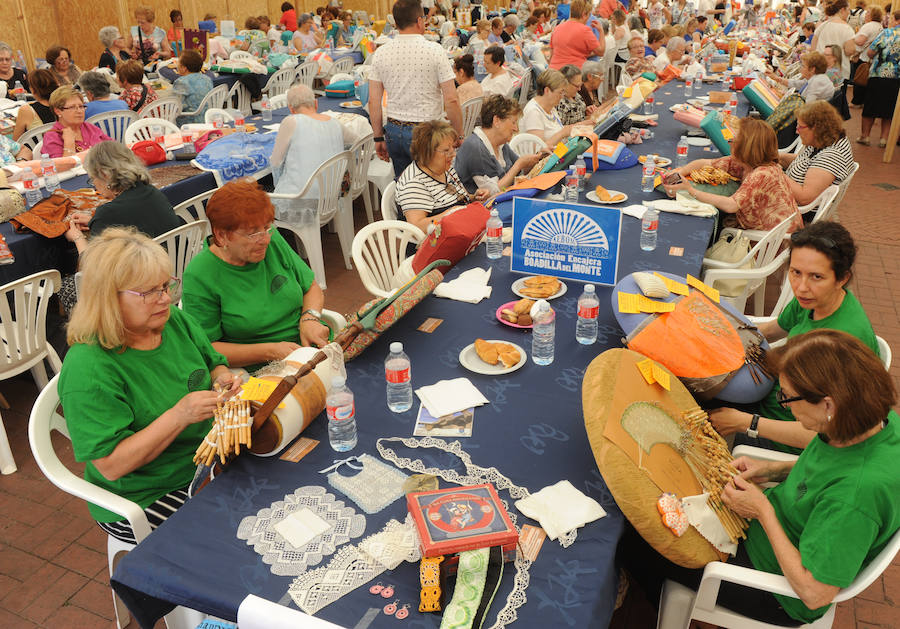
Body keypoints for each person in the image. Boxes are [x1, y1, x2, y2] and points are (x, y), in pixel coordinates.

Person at [623, 329, 900, 627]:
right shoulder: (871, 421)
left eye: (787, 398)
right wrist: (770, 471)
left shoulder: (857, 496)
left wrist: (762, 511)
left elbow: (814, 593)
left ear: (828, 406)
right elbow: (826, 471)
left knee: (634, 537)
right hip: (769, 532)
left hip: (776, 589)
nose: (787, 407)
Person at [59, 228, 240, 544]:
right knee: (229, 537)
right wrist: (179, 415)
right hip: (144, 494)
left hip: (206, 457)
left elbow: (214, 363)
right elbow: (112, 466)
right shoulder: (89, 368)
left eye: (166, 285)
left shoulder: (170, 320)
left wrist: (222, 379)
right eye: (149, 292)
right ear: (108, 298)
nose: (166, 298)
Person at [709, 221, 879, 452]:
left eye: (816, 277)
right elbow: (771, 329)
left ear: (842, 279)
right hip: (765, 396)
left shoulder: (843, 343)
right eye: (795, 272)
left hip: (785, 438)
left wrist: (746, 422)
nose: (801, 287)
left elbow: (828, 436)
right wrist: (719, 338)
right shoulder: (813, 301)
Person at [181, 181, 330, 371]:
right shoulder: (200, 274)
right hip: (262, 369)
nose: (265, 239)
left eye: (267, 227)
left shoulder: (271, 238)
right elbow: (207, 348)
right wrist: (270, 351)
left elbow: (311, 288)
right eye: (252, 234)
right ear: (221, 236)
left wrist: (310, 319)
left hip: (309, 349)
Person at [369, 0, 463, 178]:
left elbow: (374, 100)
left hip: (395, 130)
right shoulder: (434, 50)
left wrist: (378, 137)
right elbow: (451, 99)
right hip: (427, 133)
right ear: (420, 21)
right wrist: (458, 134)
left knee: (405, 188)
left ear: (395, 24)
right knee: (432, 188)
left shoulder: (381, 53)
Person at [665, 118, 803, 233]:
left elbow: (731, 205)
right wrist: (680, 172)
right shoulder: (746, 163)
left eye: (733, 140)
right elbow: (704, 163)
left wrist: (691, 191)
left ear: (746, 147)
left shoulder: (762, 174)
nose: (729, 142)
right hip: (771, 233)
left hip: (772, 243)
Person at [64, 142, 181, 258]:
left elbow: (91, 267)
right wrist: (94, 222)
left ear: (105, 175)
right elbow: (136, 220)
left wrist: (77, 237)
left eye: (92, 178)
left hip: (145, 274)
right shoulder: (151, 191)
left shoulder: (106, 213)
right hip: (178, 263)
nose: (93, 185)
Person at [396, 120, 489, 232]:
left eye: (453, 148)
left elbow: (459, 198)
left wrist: (474, 197)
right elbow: (416, 227)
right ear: (427, 152)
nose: (453, 154)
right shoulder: (414, 183)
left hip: (459, 229)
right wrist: (449, 214)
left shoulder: (445, 168)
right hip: (433, 243)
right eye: (446, 150)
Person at [269, 84, 346, 217]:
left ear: (291, 109)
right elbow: (355, 140)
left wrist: (278, 189)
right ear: (316, 104)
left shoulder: (290, 121)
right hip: (331, 195)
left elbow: (276, 162)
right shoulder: (335, 123)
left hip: (301, 199)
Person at [454, 95, 543, 193]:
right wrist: (519, 165)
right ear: (496, 121)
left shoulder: (501, 144)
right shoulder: (475, 148)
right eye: (513, 122)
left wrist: (539, 157)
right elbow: (491, 193)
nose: (516, 129)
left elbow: (521, 170)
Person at [780, 101, 855, 205]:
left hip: (796, 212)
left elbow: (804, 198)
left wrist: (775, 172)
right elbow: (805, 162)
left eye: (800, 127)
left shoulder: (832, 157)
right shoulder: (820, 142)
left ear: (816, 128)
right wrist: (776, 157)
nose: (797, 131)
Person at [859, 10, 900, 147]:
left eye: (891, 18)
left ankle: (865, 136)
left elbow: (870, 52)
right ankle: (884, 138)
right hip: (896, 77)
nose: (889, 21)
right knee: (889, 110)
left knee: (870, 107)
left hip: (878, 74)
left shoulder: (886, 33)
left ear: (897, 20)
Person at [42, 86, 113, 158]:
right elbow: (61, 167)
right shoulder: (52, 136)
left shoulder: (89, 127)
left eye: (81, 106)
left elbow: (113, 147)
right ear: (58, 111)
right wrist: (69, 143)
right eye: (72, 107)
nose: (79, 111)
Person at [521, 69, 577, 146]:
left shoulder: (551, 108)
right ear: (547, 90)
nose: (562, 96)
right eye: (560, 92)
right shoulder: (533, 112)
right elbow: (538, 150)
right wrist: (562, 133)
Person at [550, 0, 605, 70]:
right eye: (589, 15)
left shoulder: (557, 28)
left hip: (554, 72)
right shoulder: (584, 30)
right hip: (574, 73)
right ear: (584, 14)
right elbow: (600, 52)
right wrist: (601, 31)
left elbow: (552, 54)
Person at [848, 6, 884, 107]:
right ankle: (863, 101)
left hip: (864, 57)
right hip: (872, 58)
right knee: (866, 81)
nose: (866, 14)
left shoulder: (868, 26)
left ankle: (856, 102)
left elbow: (860, 41)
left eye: (868, 12)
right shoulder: (879, 26)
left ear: (873, 14)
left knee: (859, 79)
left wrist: (852, 38)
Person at [811, 0, 855, 81]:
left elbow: (813, 46)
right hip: (839, 73)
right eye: (848, 9)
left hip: (821, 68)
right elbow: (850, 51)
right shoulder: (847, 29)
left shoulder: (823, 25)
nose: (849, 13)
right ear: (842, 10)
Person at [768, 52, 835, 103]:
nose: (800, 68)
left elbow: (807, 108)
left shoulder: (817, 82)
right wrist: (776, 78)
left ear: (812, 69)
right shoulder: (816, 78)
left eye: (803, 66)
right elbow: (797, 84)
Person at [12, 69, 57, 141]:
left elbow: (16, 141)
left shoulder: (26, 110)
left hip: (39, 150)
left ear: (32, 89)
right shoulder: (64, 104)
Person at [172, 49, 213, 125]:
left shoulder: (182, 82)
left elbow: (174, 108)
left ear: (184, 68)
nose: (176, 65)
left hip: (189, 123)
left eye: (178, 62)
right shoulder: (207, 79)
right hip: (208, 119)